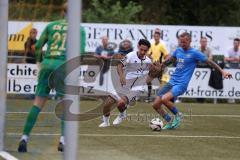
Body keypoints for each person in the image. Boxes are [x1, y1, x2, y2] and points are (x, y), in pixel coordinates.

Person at [17, 3, 86, 153]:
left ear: (62, 12)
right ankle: (62, 140)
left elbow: (38, 46)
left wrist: (39, 62)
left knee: (37, 104)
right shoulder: (79, 29)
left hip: (47, 64)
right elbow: (80, 53)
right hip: (63, 66)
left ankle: (24, 138)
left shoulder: (51, 25)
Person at [152, 32, 232, 130]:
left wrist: (222, 71)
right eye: (181, 42)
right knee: (155, 104)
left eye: (184, 42)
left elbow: (210, 62)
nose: (182, 44)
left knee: (164, 99)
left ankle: (178, 115)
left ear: (190, 41)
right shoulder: (178, 50)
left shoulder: (195, 53)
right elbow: (169, 61)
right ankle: (169, 121)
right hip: (172, 81)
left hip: (181, 84)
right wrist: (160, 66)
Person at [98, 39, 152, 127]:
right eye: (141, 49)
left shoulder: (149, 61)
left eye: (145, 50)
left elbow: (151, 74)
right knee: (107, 103)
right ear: (138, 46)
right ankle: (106, 122)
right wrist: (122, 76)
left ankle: (122, 115)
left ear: (148, 50)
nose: (142, 52)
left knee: (120, 103)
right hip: (126, 83)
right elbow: (120, 65)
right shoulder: (130, 55)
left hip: (137, 87)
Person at [145, 28, 170, 103]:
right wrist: (149, 58)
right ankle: (149, 97)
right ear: (153, 37)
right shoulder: (152, 45)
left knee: (161, 83)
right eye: (155, 36)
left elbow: (167, 55)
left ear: (159, 37)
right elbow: (148, 54)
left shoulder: (162, 46)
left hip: (159, 67)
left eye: (157, 36)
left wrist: (163, 63)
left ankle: (163, 97)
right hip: (153, 66)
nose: (156, 37)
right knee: (148, 81)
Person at [196, 37, 213, 103]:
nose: (204, 43)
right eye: (202, 41)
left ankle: (204, 98)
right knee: (198, 84)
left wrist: (203, 59)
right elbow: (196, 59)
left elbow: (210, 58)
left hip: (207, 68)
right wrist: (205, 59)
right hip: (198, 68)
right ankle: (198, 99)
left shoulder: (209, 49)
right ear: (200, 42)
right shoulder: (197, 50)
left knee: (205, 84)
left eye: (205, 41)